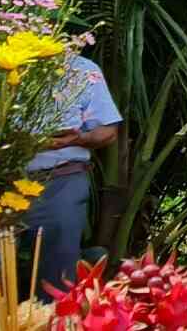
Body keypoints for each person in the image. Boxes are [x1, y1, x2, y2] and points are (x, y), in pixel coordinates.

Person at [25, 56, 122, 299]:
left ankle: (55, 315)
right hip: (0, 182)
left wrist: (79, 138)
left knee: (57, 277)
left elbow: (108, 131)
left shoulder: (82, 69)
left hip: (61, 181)